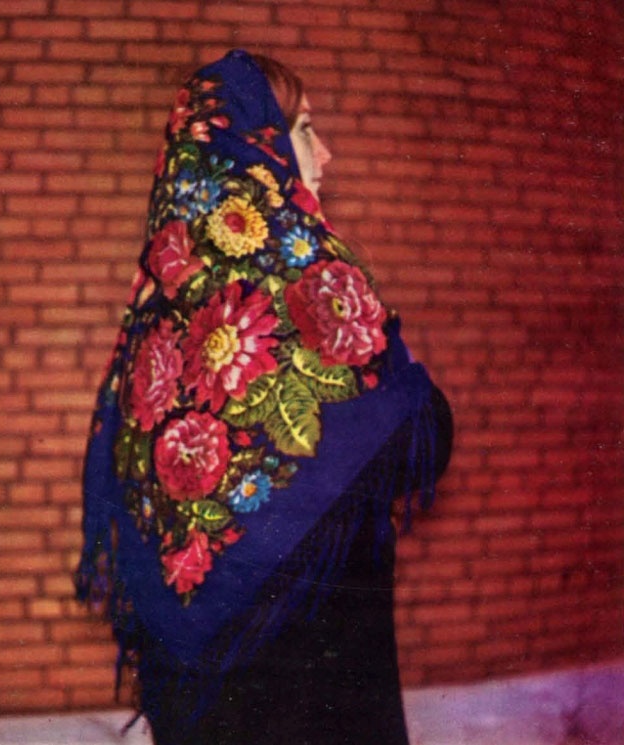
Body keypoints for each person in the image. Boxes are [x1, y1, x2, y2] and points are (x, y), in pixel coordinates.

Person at [75, 49, 453, 745]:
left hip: (200, 700)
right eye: (305, 129)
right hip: (318, 687)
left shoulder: (157, 314)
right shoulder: (312, 286)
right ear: (260, 145)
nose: (326, 152)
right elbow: (416, 438)